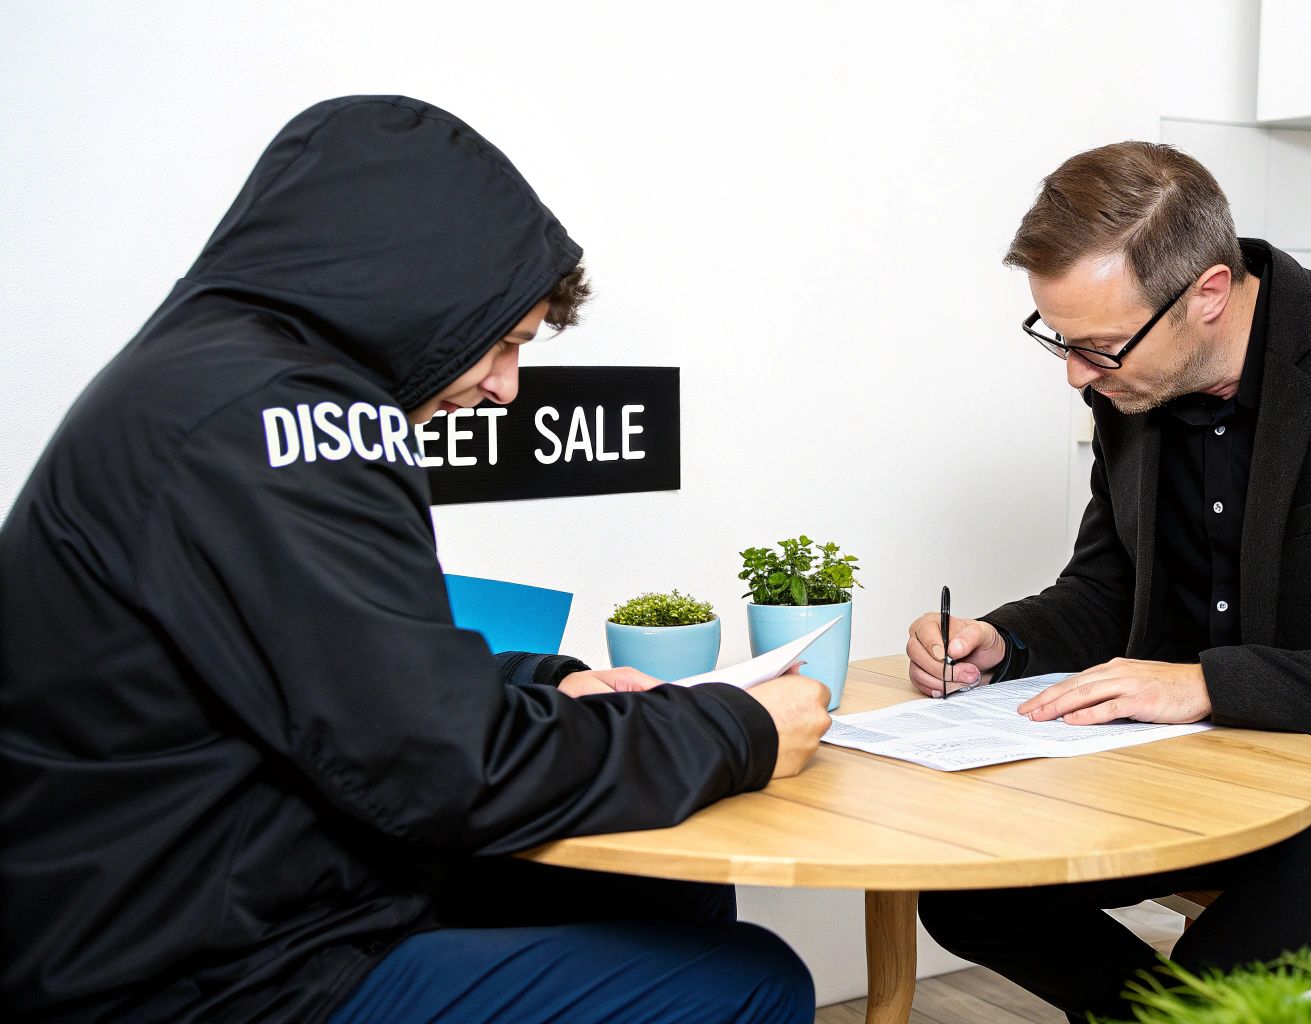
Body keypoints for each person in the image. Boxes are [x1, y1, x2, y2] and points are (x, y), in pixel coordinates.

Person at [0, 96, 829, 1024]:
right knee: (751, 983)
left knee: (663, 895)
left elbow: (344, 676)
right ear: (418, 288)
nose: (508, 388)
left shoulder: (215, 385)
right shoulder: (285, 419)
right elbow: (444, 771)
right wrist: (738, 731)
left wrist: (550, 686)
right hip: (197, 981)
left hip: (218, 905)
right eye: (505, 342)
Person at [904, 141, 1311, 1022]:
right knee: (967, 889)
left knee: (1220, 973)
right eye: (1060, 342)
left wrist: (1207, 684)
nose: (1077, 375)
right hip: (1214, 773)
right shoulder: (1133, 388)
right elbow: (1108, 586)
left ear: (1208, 293)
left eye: (1098, 348)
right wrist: (1006, 640)